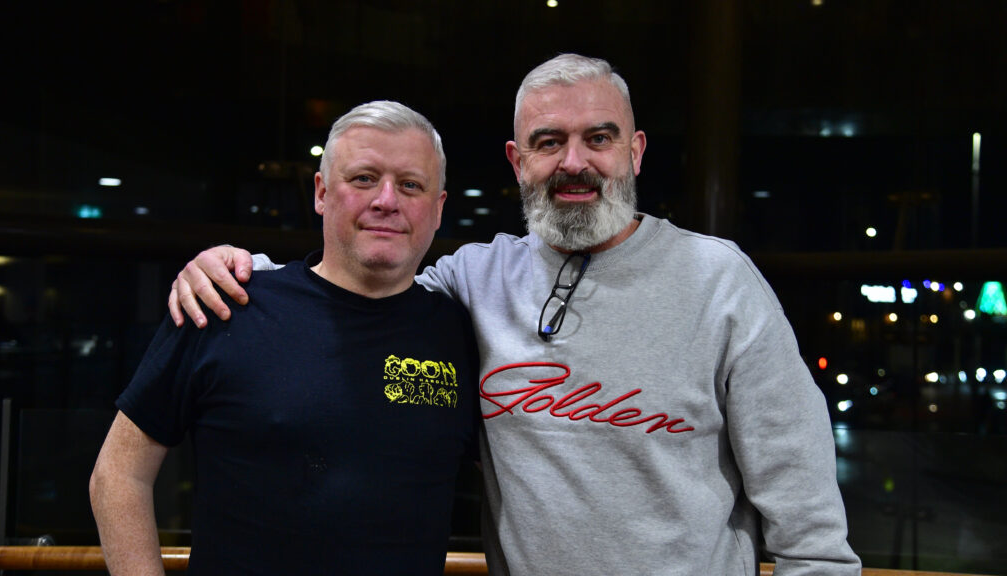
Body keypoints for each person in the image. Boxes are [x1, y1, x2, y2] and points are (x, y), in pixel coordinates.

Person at [170, 55, 862, 575]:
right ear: (517, 161)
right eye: (548, 141)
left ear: (635, 151)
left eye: (599, 138)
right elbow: (352, 287)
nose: (575, 162)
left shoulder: (720, 280)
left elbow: (809, 529)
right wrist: (240, 271)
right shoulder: (474, 278)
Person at [90, 101, 480, 575]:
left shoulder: (464, 334)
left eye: (411, 185)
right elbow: (118, 475)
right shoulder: (224, 302)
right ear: (320, 192)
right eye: (363, 178)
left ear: (438, 208)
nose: (386, 200)